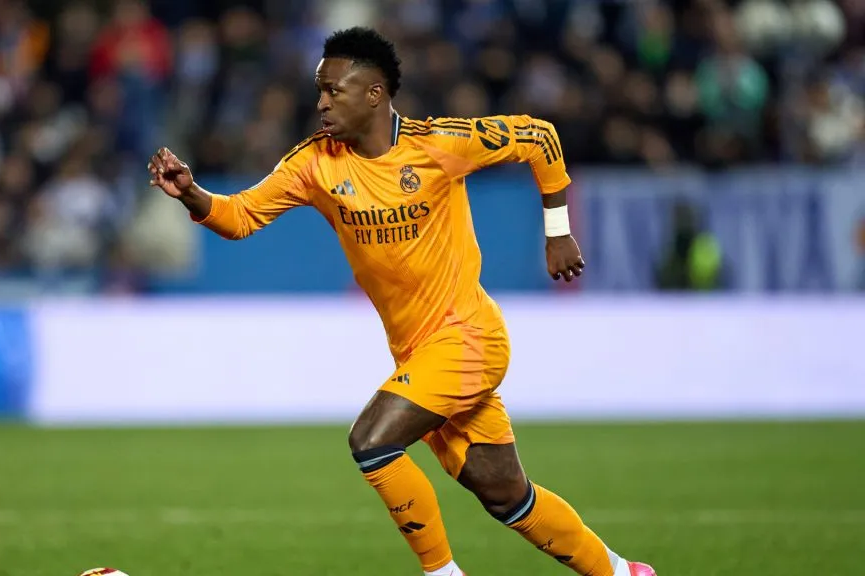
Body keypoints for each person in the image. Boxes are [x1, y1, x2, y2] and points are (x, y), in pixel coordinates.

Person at [148, 26, 655, 576]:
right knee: (507, 496)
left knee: (371, 442)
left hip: (468, 338)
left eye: (332, 90)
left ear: (373, 93)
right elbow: (241, 217)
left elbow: (539, 136)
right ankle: (623, 572)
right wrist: (194, 194)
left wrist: (557, 231)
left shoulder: (437, 144)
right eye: (319, 89)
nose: (320, 101)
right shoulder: (315, 164)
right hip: (417, 354)